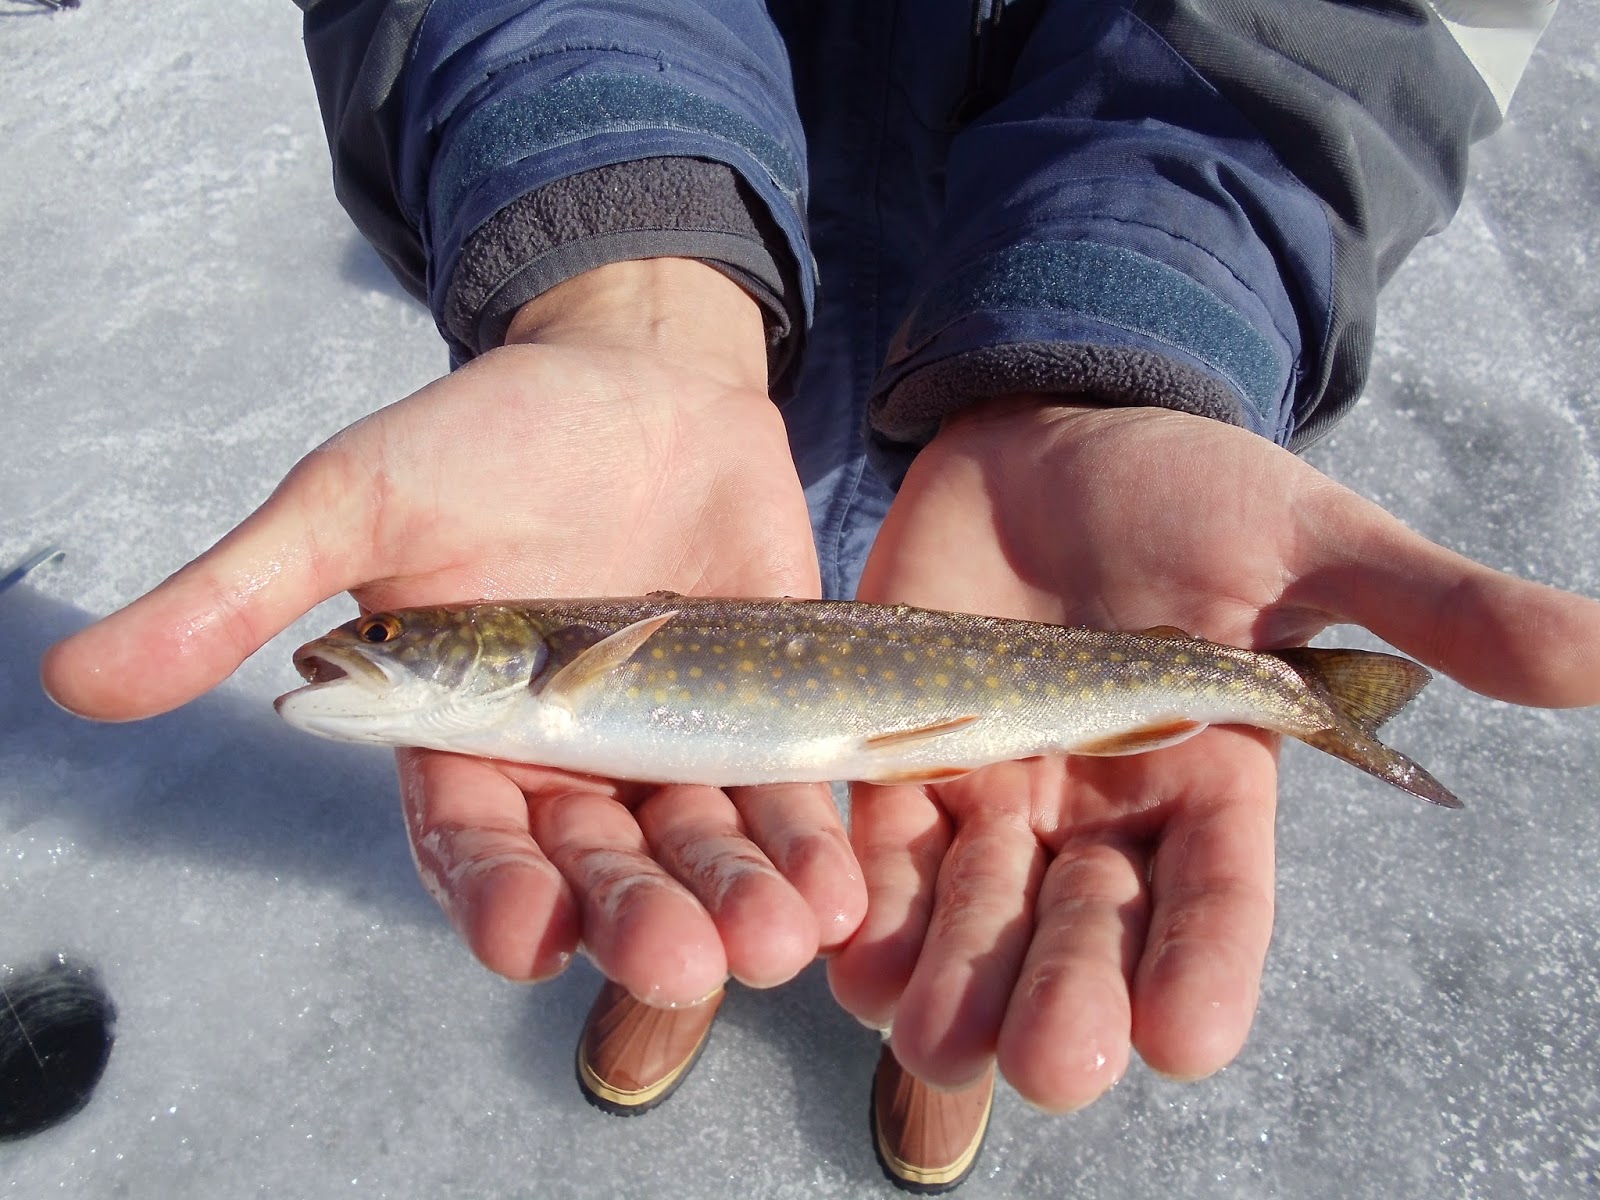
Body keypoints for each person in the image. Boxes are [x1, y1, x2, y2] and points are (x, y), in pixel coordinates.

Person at [41, 0, 1597, 1191]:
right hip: (715, 262)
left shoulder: (573, 668)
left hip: (1030, 305)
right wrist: (620, 262)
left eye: (389, 642)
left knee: (966, 855)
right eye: (384, 641)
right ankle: (730, 951)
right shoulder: (567, 654)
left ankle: (935, 1002)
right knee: (756, 795)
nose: (364, 648)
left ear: (494, 647)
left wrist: (1152, 315)